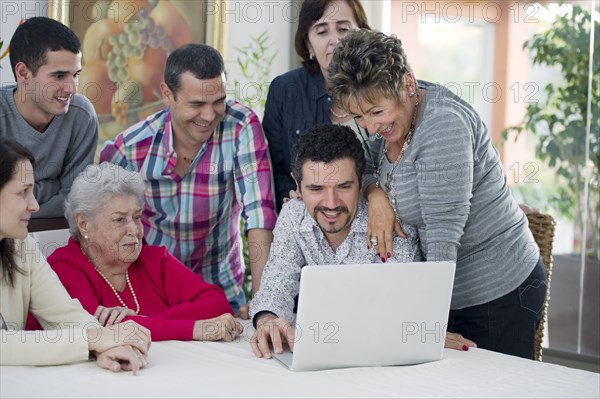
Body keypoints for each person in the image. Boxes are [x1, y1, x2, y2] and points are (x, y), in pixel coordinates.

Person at [327, 29, 547, 359]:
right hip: (445, 291)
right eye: (359, 117)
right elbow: (367, 163)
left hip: (499, 291)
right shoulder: (391, 114)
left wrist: (428, 326)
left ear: (409, 85)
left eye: (375, 113)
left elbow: (444, 237)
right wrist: (375, 196)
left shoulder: (444, 125)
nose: (370, 127)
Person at [249, 125, 475, 358]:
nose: (331, 203)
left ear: (361, 181)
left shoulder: (390, 218)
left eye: (344, 187)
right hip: (320, 356)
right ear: (297, 184)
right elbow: (276, 285)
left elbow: (405, 310)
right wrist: (268, 319)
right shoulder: (293, 216)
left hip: (387, 359)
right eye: (316, 188)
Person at [99, 44, 277, 319]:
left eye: (218, 101)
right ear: (167, 95)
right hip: (152, 300)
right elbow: (99, 229)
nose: (209, 115)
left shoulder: (241, 126)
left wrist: (265, 307)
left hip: (221, 297)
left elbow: (259, 214)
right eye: (196, 104)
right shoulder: (129, 150)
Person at [31, 162, 243, 342]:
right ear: (84, 224)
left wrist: (141, 320)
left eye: (136, 217)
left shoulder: (153, 259)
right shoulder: (64, 267)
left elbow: (216, 303)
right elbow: (94, 330)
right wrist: (195, 328)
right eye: (119, 219)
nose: (134, 230)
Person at [0, 139, 149, 373]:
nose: (35, 205)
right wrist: (92, 341)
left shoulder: (22, 246)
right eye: (22, 193)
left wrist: (105, 345)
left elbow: (63, 312)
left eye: (33, 191)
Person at [263, 0, 371, 212]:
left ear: (362, 34)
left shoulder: (381, 86)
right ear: (309, 45)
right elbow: (273, 169)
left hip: (374, 216)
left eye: (343, 29)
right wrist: (291, 193)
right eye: (322, 32)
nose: (335, 40)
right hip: (311, 218)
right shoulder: (285, 90)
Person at [0, 17, 98, 218]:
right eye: (59, 76)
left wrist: (18, 197)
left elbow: (75, 200)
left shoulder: (82, 115)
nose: (71, 88)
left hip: (53, 237)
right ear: (23, 74)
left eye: (75, 74)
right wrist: (52, 186)